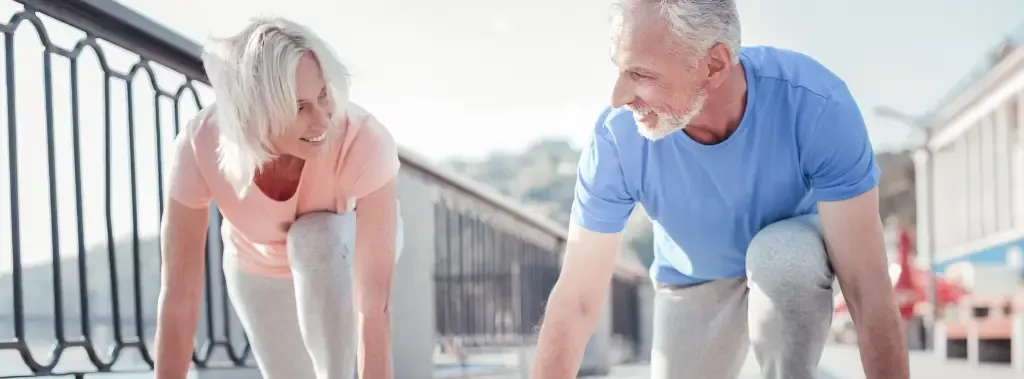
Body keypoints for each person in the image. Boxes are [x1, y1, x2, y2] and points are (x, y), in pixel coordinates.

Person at [530, 1, 910, 379]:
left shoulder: (817, 106)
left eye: (641, 74)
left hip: (787, 258)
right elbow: (576, 298)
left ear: (714, 65)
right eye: (619, 69)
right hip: (692, 274)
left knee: (782, 259)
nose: (618, 97)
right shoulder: (616, 140)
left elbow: (867, 288)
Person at [153, 16, 402, 379]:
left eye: (323, 95)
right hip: (257, 268)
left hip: (345, 248)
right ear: (256, 114)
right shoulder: (199, 145)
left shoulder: (365, 141)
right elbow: (179, 297)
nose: (321, 120)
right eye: (299, 107)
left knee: (316, 236)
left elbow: (372, 308)